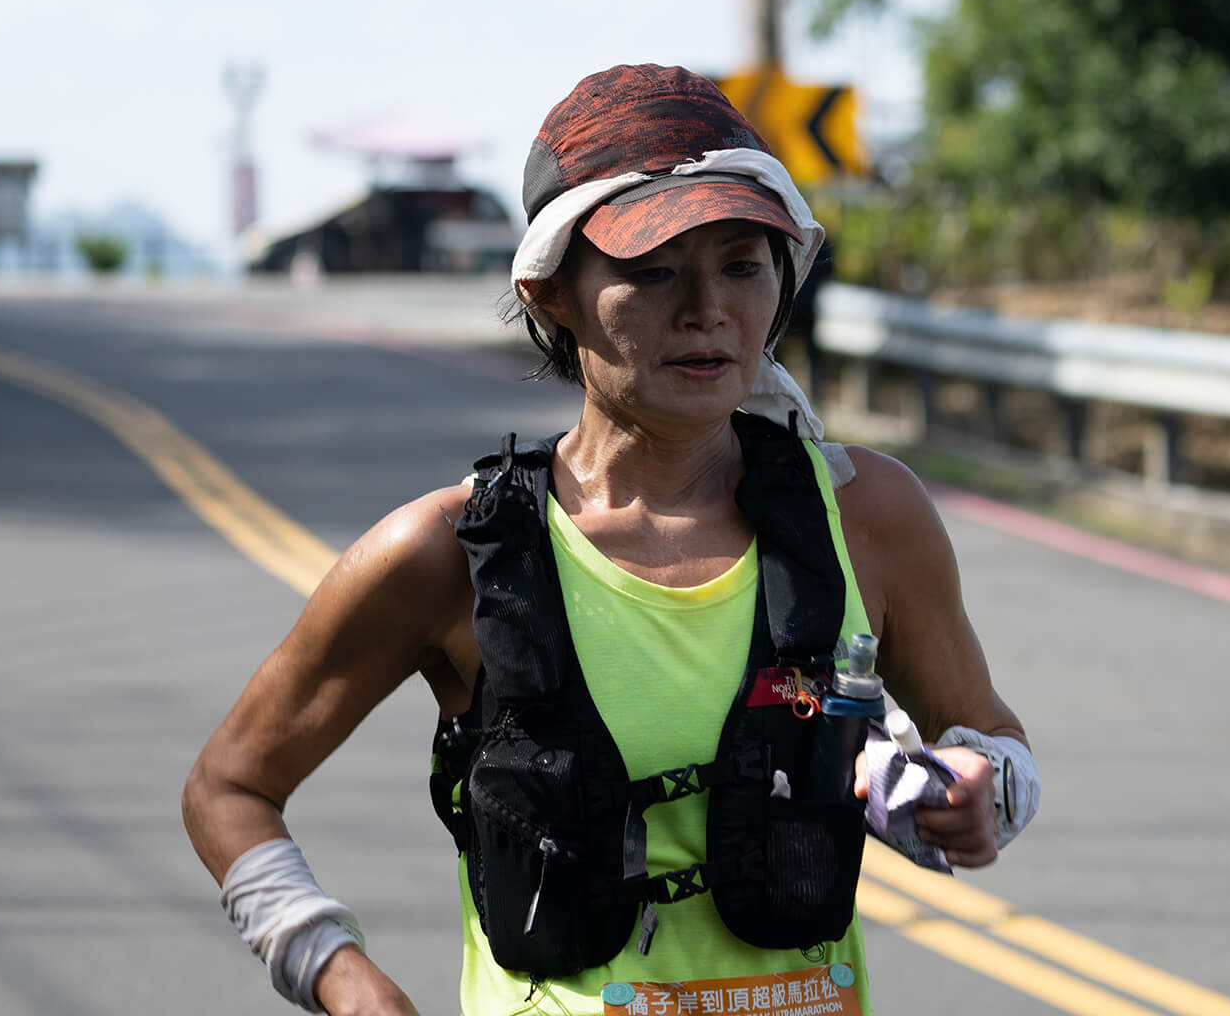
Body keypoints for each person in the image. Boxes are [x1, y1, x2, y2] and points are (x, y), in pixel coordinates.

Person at [182, 64, 1037, 1016]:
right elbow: (229, 788)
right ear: (551, 291)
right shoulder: (454, 553)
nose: (707, 309)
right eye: (653, 270)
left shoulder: (867, 514)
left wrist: (978, 787)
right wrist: (346, 982)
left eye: (743, 265)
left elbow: (992, 743)